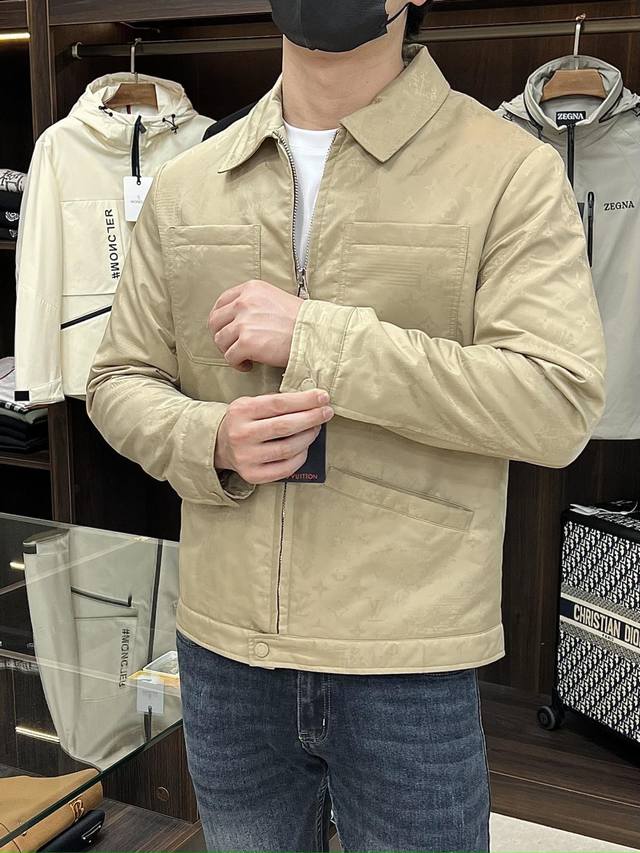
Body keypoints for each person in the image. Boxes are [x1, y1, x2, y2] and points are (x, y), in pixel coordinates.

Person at [86, 1, 606, 850]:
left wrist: (318, 338)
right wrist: (209, 438)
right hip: (224, 649)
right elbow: (117, 379)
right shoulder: (192, 180)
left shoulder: (507, 170)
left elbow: (555, 401)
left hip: (408, 658)